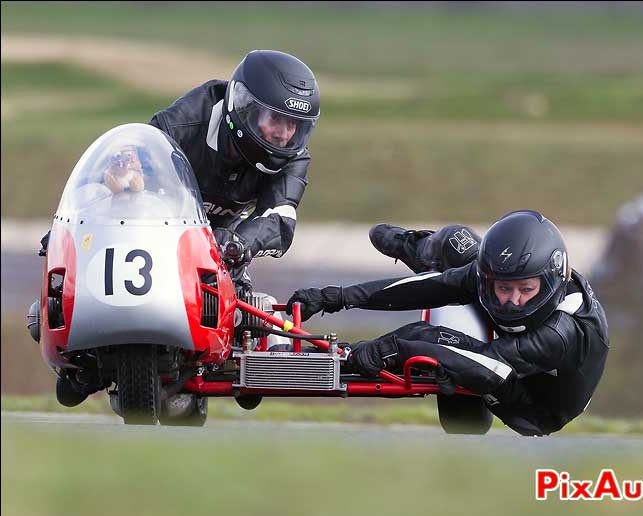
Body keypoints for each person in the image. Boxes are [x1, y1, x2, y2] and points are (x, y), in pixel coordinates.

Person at [286, 211, 610, 436]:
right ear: (490, 278)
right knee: (458, 240)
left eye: (526, 290)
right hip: (501, 355)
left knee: (427, 337)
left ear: (550, 281)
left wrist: (391, 348)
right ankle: (421, 250)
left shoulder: (562, 331)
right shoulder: (490, 276)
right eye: (503, 288)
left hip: (529, 402)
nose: (511, 301)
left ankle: (341, 359)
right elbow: (435, 287)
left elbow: (489, 366)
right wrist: (337, 296)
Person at [147, 49, 321, 295]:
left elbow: (279, 220)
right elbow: (131, 183)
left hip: (224, 253)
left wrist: (238, 243)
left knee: (261, 315)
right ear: (244, 107)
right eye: (275, 119)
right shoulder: (179, 127)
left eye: (292, 124)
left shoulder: (293, 156)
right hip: (155, 244)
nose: (283, 134)